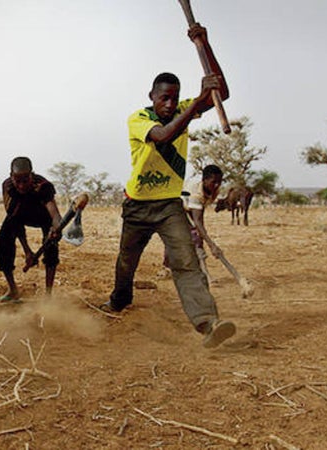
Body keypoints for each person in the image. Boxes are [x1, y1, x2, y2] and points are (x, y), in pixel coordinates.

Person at [102, 63, 237, 348]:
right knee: (127, 262)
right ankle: (119, 300)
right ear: (151, 95)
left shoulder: (183, 110)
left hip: (169, 207)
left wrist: (204, 42)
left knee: (186, 261)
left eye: (175, 98)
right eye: (164, 98)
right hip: (137, 206)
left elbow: (220, 91)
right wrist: (196, 103)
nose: (170, 104)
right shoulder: (139, 118)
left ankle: (208, 322)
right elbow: (164, 135)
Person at [0, 156, 62, 302]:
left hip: (43, 216)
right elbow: (14, 220)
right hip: (19, 214)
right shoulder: (8, 187)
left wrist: (56, 227)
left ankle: (48, 295)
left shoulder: (43, 186)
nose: (21, 185)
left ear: (32, 175)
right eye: (17, 181)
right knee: (2, 242)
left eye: (25, 180)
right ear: (11, 176)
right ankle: (13, 289)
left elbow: (55, 215)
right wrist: (27, 251)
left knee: (51, 246)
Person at [177, 164, 225, 283]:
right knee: (190, 237)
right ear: (204, 180)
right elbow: (197, 221)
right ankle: (205, 274)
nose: (216, 185)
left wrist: (203, 234)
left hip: (189, 208)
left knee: (197, 236)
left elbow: (200, 213)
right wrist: (211, 244)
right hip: (177, 208)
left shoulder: (213, 191)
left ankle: (201, 272)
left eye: (219, 182)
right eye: (214, 182)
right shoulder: (195, 192)